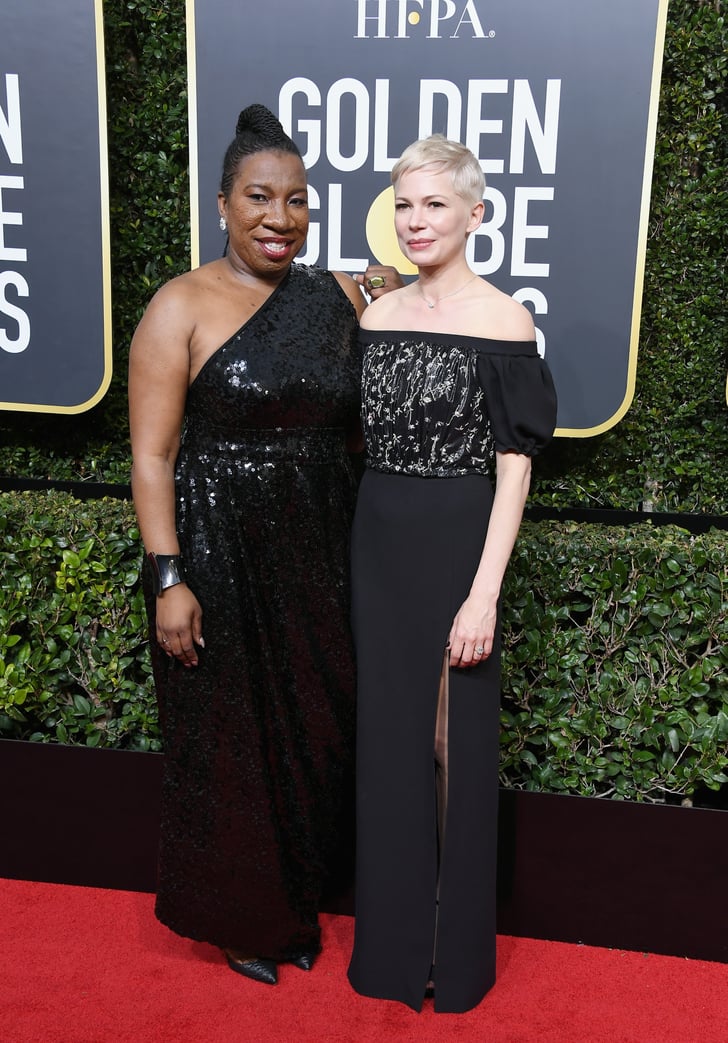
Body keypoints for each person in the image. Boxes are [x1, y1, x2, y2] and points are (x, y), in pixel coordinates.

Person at [128, 103, 395, 986]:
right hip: (220, 554)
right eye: (258, 198)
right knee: (233, 742)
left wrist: (393, 298)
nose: (279, 218)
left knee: (316, 733)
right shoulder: (180, 305)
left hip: (322, 552)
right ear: (222, 204)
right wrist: (170, 576)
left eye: (297, 200)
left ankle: (298, 897)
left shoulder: (337, 295)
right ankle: (247, 919)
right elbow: (153, 453)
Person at [346, 135, 558, 1013]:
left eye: (434, 204)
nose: (416, 221)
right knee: (389, 742)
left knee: (447, 743)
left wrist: (484, 591)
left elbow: (515, 467)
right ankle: (391, 949)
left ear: (476, 213)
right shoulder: (376, 317)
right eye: (403, 204)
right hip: (377, 537)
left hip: (459, 538)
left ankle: (453, 948)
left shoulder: (507, 321)